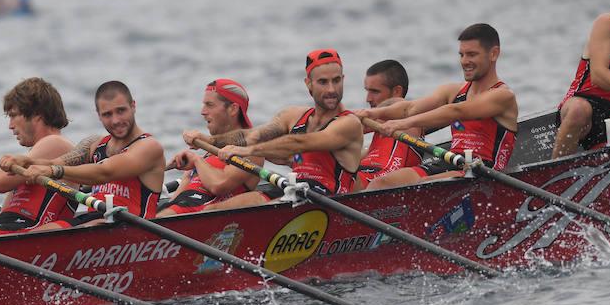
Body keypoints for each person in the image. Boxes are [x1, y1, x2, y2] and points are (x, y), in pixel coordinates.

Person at [192, 49, 363, 209]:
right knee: (214, 209)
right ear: (308, 84)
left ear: (343, 79)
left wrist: (247, 151)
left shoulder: (348, 124)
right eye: (323, 82)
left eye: (336, 80)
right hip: (295, 189)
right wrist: (208, 140)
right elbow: (252, 136)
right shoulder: (292, 115)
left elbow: (298, 143)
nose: (331, 89)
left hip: (329, 201)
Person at [361, 23, 518, 187]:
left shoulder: (503, 96)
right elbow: (410, 108)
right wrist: (371, 114)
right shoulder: (452, 91)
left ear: (493, 54)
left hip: (484, 171)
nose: (464, 61)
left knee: (423, 186)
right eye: (461, 55)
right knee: (382, 183)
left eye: (471, 54)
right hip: (452, 160)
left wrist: (402, 123)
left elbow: (456, 111)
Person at [0, 80, 165, 224]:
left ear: (133, 106)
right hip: (96, 222)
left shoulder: (149, 147)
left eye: (121, 111)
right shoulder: (95, 144)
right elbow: (57, 162)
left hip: (131, 226)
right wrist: (27, 162)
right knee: (40, 233)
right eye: (107, 114)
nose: (115, 120)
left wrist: (51, 171)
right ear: (98, 115)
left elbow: (105, 172)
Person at [0, 77, 74, 235]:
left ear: (37, 114)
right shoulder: (30, 158)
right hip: (13, 228)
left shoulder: (56, 143)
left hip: (35, 232)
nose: (10, 126)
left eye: (14, 115)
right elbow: (3, 216)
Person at [161, 78, 258, 215]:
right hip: (178, 211)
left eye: (210, 105)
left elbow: (219, 185)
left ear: (232, 109)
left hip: (198, 214)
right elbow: (174, 202)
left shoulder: (250, 149)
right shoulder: (207, 155)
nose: (203, 111)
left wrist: (196, 160)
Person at [552, 10, 610, 158]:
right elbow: (598, 75)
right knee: (579, 110)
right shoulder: (609, 23)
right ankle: (552, 176)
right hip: (588, 106)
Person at [355, 59, 422, 188]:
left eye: (374, 91)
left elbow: (397, 104)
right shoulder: (379, 128)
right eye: (367, 91)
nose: (368, 99)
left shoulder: (408, 116)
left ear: (396, 91)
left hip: (381, 181)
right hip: (364, 174)